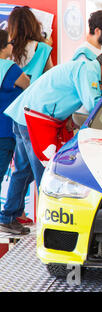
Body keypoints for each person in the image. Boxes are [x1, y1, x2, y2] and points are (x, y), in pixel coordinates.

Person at [0, 50, 102, 235]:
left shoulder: (82, 68)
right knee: (46, 172)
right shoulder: (88, 70)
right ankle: (49, 226)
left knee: (24, 170)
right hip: (33, 118)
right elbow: (93, 103)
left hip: (25, 116)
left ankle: (8, 217)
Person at [0, 30, 30, 218]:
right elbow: (29, 85)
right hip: (5, 131)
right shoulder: (9, 67)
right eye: (11, 42)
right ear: (4, 46)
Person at [8, 6, 53, 83]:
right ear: (34, 25)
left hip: (9, 94)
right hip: (35, 94)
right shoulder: (43, 49)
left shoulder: (6, 48)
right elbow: (51, 78)